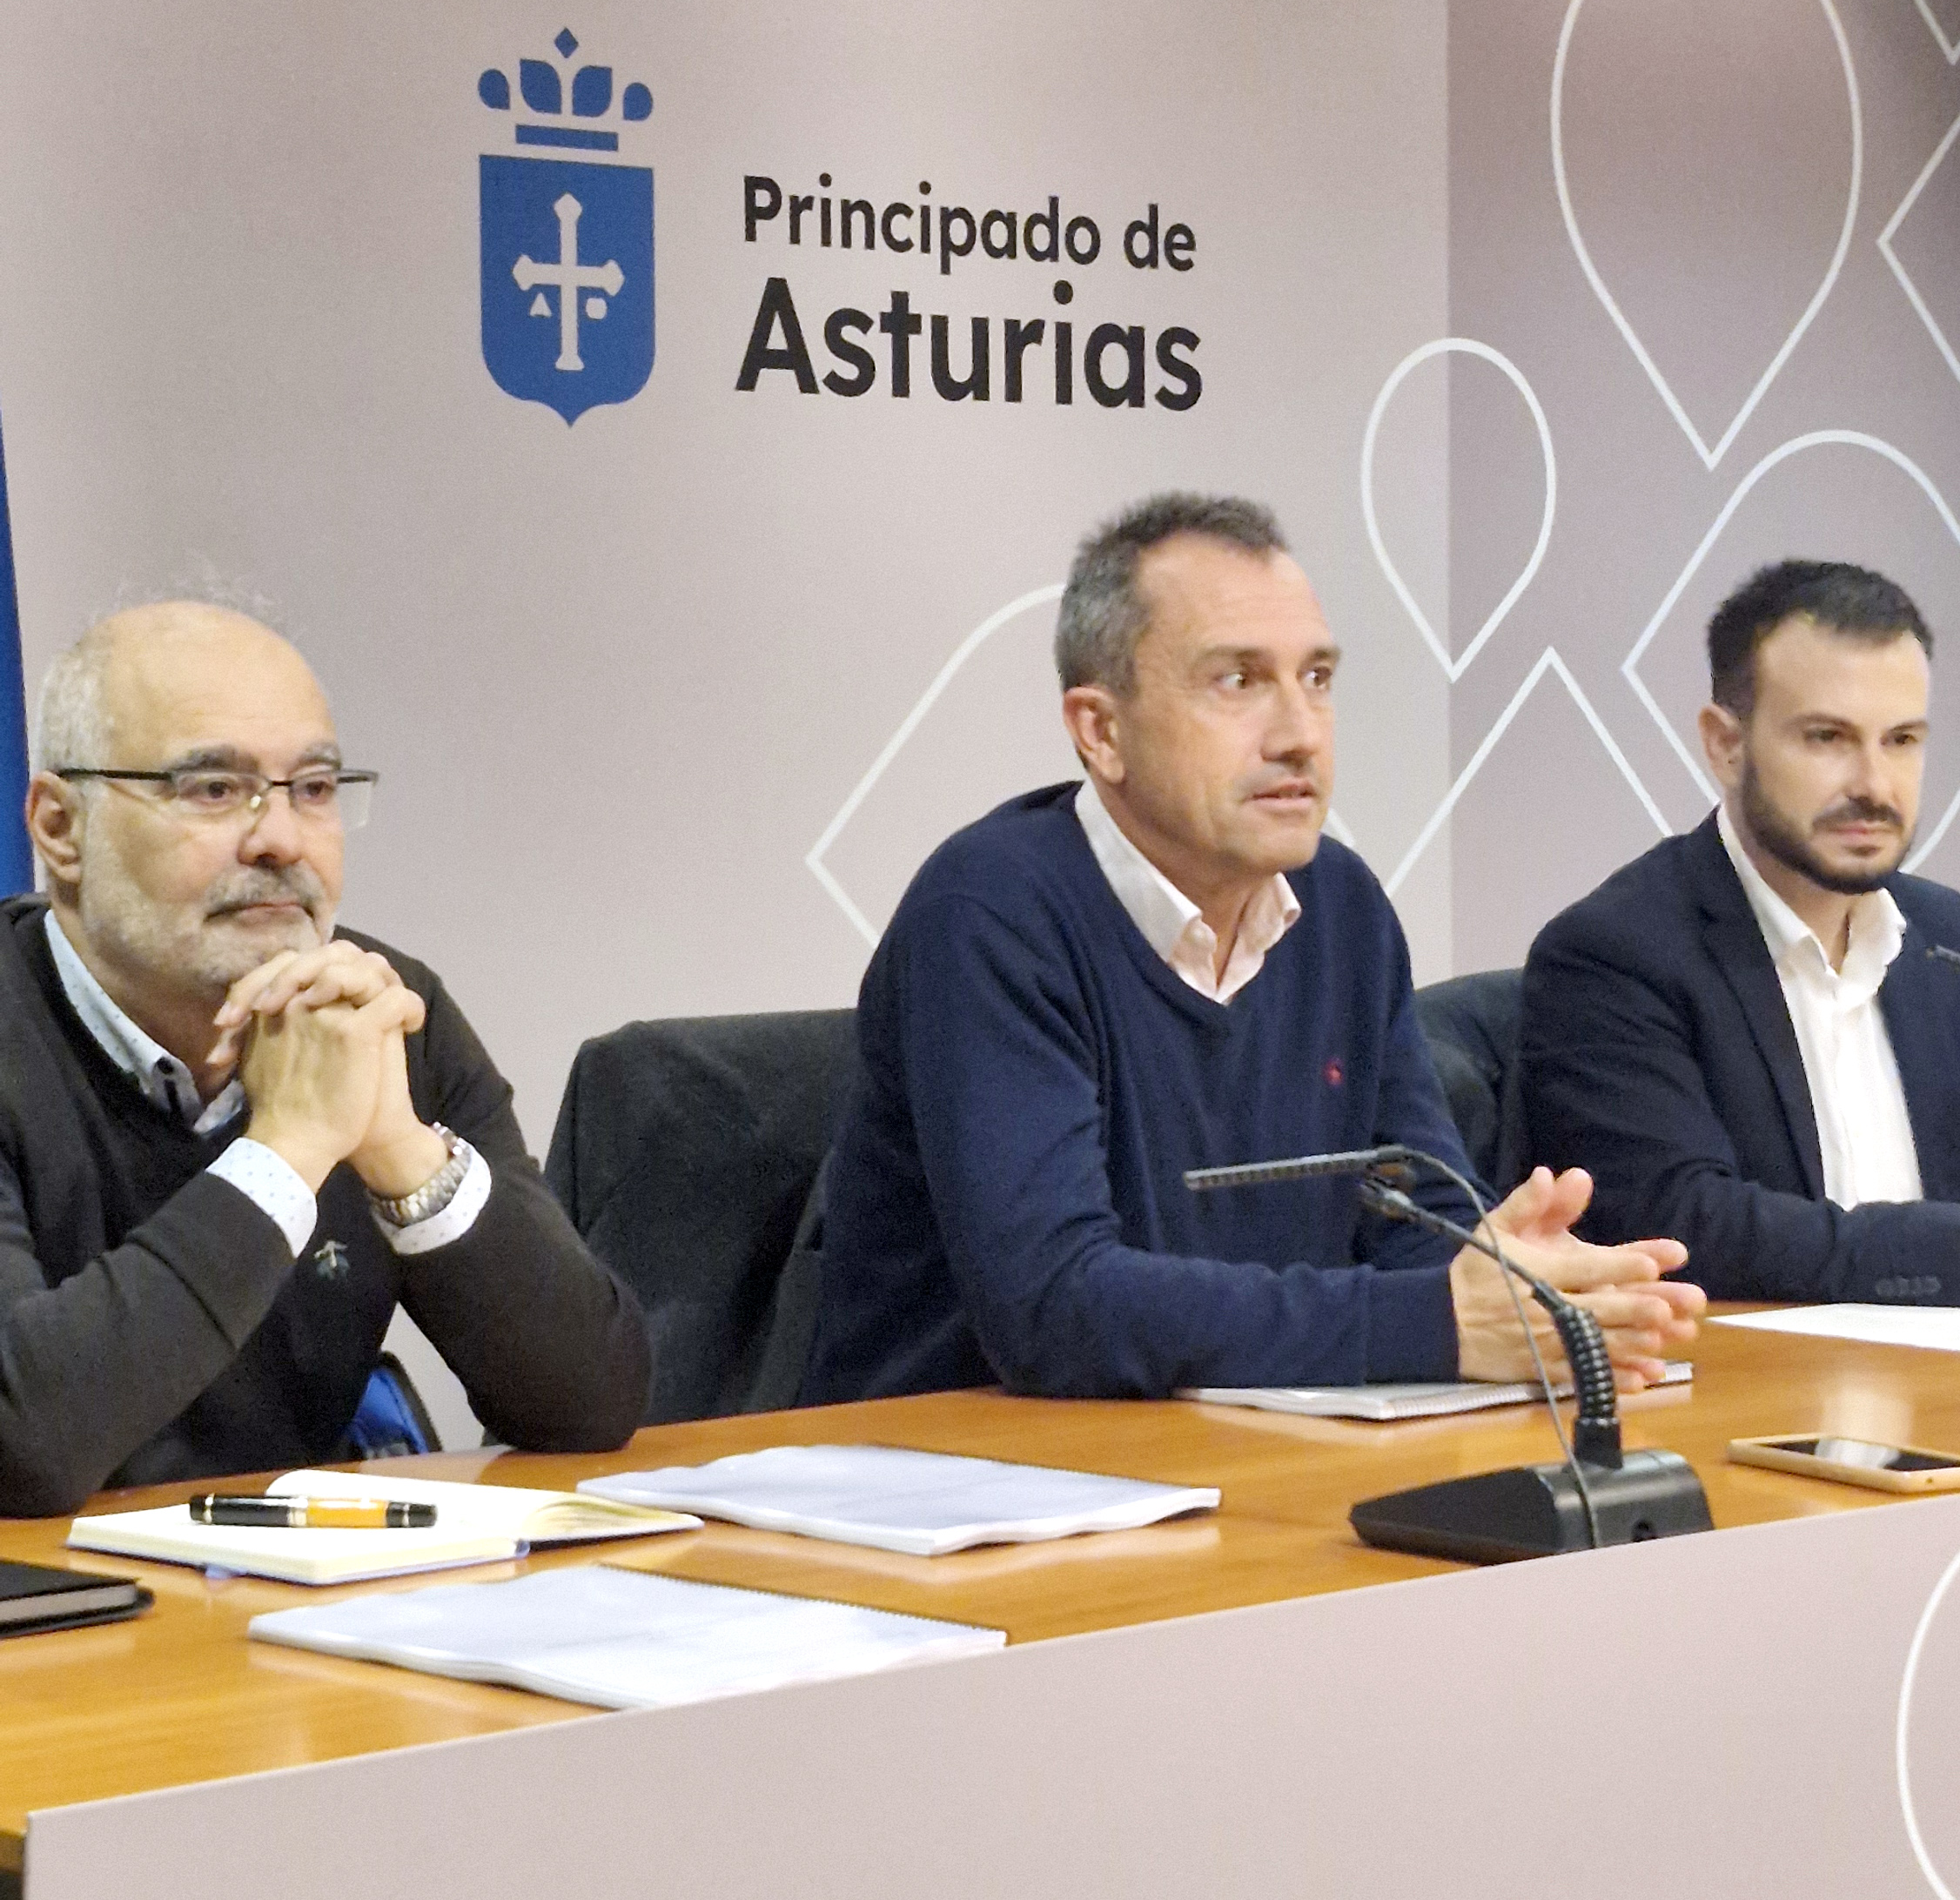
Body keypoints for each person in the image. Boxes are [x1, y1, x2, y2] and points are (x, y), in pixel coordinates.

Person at [802, 494, 1702, 1404]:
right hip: (951, 1463)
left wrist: (1521, 1280)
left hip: (1234, 1442)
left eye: (1316, 678)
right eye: (1237, 681)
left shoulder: (1340, 907)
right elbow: (1054, 1306)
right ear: (1100, 731)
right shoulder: (991, 912)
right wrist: (1434, 1321)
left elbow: (1414, 1217)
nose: (1299, 734)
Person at [0, 601, 650, 1514]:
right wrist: (290, 1150)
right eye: (212, 789)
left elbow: (589, 1404)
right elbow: (20, 1445)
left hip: (293, 1584)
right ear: (60, 829)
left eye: (312, 788)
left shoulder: (381, 1012)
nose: (281, 839)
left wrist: (399, 1153)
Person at [1522, 559, 1960, 1301]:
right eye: (1827, 737)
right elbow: (1681, 1225)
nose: (1874, 785)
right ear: (1726, 744)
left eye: (1902, 741)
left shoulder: (1948, 942)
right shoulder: (1613, 954)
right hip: (1748, 1372)